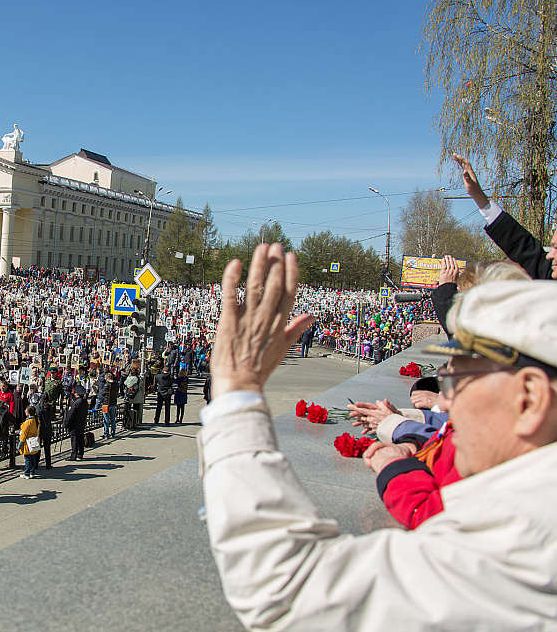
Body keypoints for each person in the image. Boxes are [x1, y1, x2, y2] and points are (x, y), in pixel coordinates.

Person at [200, 243, 557, 630]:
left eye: (459, 377)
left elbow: (292, 594)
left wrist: (235, 392)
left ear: (529, 398)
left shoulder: (524, 536)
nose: (446, 399)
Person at [453, 153, 557, 280]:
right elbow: (523, 247)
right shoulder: (549, 272)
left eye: (556, 248)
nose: (549, 255)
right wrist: (479, 196)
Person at [64, 387, 88, 461]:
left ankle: (73, 455)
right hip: (81, 423)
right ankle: (80, 454)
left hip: (75, 424)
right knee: (80, 438)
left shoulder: (76, 403)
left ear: (77, 394)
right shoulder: (85, 402)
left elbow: (71, 415)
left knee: (74, 440)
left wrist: (66, 424)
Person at [18, 405, 41, 479]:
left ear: (28, 413)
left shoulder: (27, 422)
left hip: (27, 442)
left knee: (27, 459)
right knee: (33, 457)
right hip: (34, 440)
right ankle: (32, 472)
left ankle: (26, 473)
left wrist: (20, 444)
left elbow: (23, 434)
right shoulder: (36, 420)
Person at [100, 372, 118, 439]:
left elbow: (103, 393)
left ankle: (106, 433)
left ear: (107, 378)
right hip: (113, 403)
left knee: (106, 419)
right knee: (113, 418)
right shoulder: (116, 384)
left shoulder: (107, 385)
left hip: (106, 403)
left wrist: (102, 390)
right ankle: (113, 432)